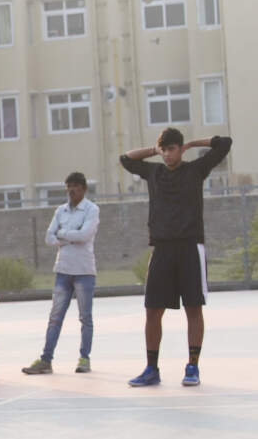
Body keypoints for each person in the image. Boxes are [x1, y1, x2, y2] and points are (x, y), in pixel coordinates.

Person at [119, 129, 232, 387]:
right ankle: (151, 369)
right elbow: (126, 159)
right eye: (165, 149)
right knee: (152, 311)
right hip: (161, 249)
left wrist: (192, 143)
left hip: (190, 246)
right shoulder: (154, 173)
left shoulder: (195, 170)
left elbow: (224, 144)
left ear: (180, 149)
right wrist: (153, 150)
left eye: (172, 148)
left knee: (193, 308)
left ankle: (192, 366)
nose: (168, 154)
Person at [22, 173, 100, 375]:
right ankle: (46, 360)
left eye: (75, 186)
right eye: (68, 187)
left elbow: (85, 235)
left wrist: (63, 234)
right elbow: (49, 237)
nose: (71, 190)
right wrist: (69, 236)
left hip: (84, 271)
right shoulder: (61, 211)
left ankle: (84, 358)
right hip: (63, 270)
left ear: (84, 189)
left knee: (85, 317)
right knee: (55, 317)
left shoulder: (91, 209)